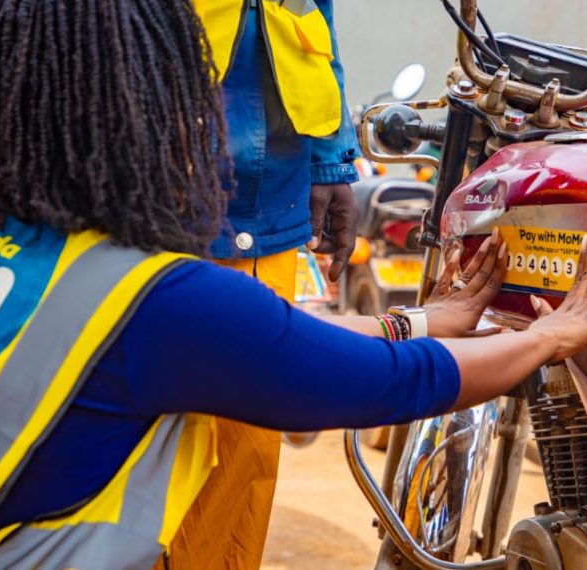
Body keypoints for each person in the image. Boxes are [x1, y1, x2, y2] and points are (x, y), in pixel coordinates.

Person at [0, 0, 587, 567]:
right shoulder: (158, 302)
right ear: (153, 112)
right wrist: (547, 337)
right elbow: (376, 384)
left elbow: (273, 342)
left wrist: (431, 315)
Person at [185, 1, 361, 564]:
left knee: (246, 448)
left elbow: (314, 18)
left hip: (271, 198)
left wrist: (330, 162)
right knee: (156, 444)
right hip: (157, 181)